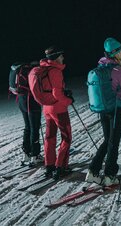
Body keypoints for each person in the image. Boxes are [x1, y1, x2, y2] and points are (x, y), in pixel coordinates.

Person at [85, 37, 121, 186]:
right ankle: (109, 175)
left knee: (108, 140)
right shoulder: (118, 70)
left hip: (103, 110)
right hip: (117, 109)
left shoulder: (101, 67)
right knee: (114, 142)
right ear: (115, 53)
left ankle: (93, 172)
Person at [40, 46, 74, 180]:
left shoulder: (44, 68)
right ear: (55, 57)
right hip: (58, 109)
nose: (63, 58)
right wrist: (68, 100)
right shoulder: (55, 71)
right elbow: (57, 93)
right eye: (61, 56)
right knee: (67, 137)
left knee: (50, 137)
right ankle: (61, 167)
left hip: (47, 108)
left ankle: (49, 166)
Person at [14, 62, 43, 166]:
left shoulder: (21, 69)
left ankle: (26, 154)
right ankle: (35, 156)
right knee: (34, 128)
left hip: (21, 100)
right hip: (31, 102)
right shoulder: (34, 71)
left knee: (28, 127)